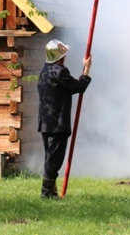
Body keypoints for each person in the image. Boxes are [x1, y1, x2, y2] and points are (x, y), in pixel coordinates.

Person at [37, 39, 91, 199]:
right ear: (60, 57)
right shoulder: (60, 72)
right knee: (54, 160)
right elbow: (79, 87)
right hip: (57, 124)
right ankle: (46, 193)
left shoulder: (45, 71)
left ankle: (51, 191)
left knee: (50, 157)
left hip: (46, 123)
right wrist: (86, 69)